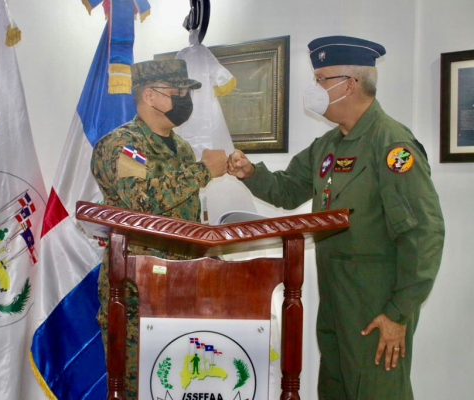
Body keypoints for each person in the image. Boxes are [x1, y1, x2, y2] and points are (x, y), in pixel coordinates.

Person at [228, 36, 445, 400]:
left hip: (376, 304)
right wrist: (251, 172)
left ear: (350, 84)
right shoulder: (328, 145)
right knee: (336, 390)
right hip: (335, 299)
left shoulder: (391, 144)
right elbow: (288, 190)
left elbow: (424, 234)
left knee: (376, 392)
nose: (313, 89)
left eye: (320, 79)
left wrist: (398, 314)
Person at [91, 59, 228, 399]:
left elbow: (183, 217)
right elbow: (141, 203)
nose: (185, 99)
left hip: (180, 288)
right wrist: (202, 172)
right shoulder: (125, 145)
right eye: (177, 92)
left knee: (176, 385)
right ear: (150, 96)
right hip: (136, 293)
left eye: (186, 92)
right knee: (136, 389)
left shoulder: (180, 147)